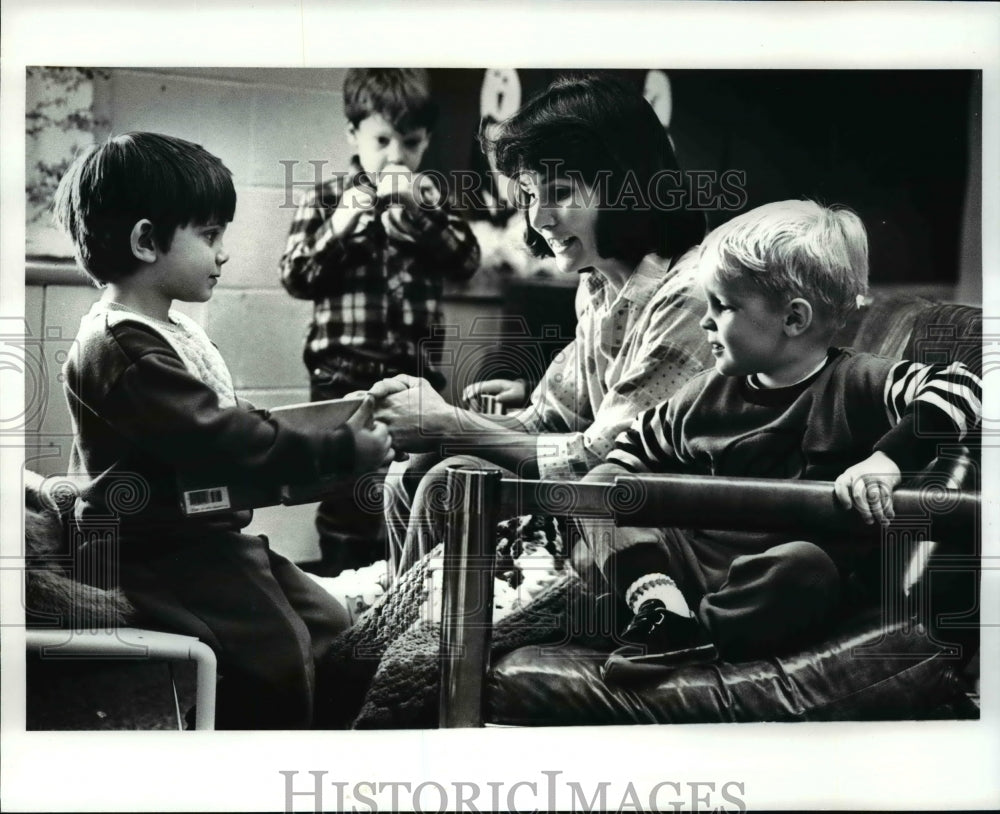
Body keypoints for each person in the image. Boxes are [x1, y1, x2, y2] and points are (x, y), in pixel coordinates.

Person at [53, 132, 394, 729]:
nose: (222, 252)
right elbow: (220, 437)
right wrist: (340, 448)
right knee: (279, 659)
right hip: (157, 554)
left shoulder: (165, 332)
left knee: (336, 630)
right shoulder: (120, 347)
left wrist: (336, 421)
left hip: (208, 541)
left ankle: (330, 742)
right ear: (146, 241)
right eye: (209, 236)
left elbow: (234, 421)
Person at [579, 199, 982, 684]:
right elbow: (627, 457)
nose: (705, 321)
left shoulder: (857, 382)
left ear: (793, 319)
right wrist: (618, 514)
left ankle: (682, 633)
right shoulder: (703, 392)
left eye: (722, 306)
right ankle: (665, 613)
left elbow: (964, 387)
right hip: (685, 566)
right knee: (598, 486)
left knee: (806, 568)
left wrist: (887, 461)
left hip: (774, 580)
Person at [368, 74, 712, 576]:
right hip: (596, 506)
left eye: (561, 191)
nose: (539, 219)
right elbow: (548, 421)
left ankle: (426, 638)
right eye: (530, 193)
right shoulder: (597, 285)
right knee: (412, 471)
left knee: (452, 478)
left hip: (658, 538)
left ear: (626, 185)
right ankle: (404, 624)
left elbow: (599, 459)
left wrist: (448, 424)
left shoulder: (690, 292)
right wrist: (431, 425)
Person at [279, 68, 480, 576]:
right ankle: (347, 605)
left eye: (409, 143)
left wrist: (422, 217)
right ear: (354, 135)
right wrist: (344, 225)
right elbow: (297, 276)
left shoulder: (429, 199)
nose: (396, 157)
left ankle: (402, 594)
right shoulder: (325, 199)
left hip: (412, 372)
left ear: (426, 140)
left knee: (414, 484)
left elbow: (466, 261)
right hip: (342, 373)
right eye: (382, 140)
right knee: (346, 494)